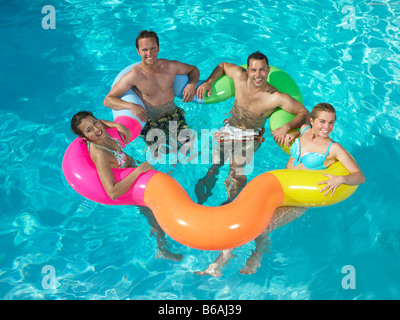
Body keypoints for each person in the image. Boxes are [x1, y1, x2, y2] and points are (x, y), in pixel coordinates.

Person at [195, 102, 365, 276]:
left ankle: (249, 257)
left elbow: (359, 176)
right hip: (278, 188)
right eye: (322, 121)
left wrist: (341, 178)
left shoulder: (333, 148)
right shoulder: (305, 130)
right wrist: (289, 133)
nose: (327, 127)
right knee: (244, 217)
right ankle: (225, 261)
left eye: (331, 122)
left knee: (261, 227)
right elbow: (298, 131)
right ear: (312, 121)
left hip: (298, 199)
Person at [195, 51, 309, 205]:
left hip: (251, 135)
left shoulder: (275, 97)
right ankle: (208, 182)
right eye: (254, 70)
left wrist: (286, 127)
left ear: (268, 70)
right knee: (216, 162)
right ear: (247, 70)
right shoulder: (239, 78)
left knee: (236, 167)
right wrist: (209, 82)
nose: (258, 75)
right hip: (231, 127)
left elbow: (304, 113)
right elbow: (222, 65)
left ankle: (230, 202)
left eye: (262, 69)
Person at [71, 111, 183, 261]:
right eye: (89, 130)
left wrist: (116, 124)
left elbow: (103, 122)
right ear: (84, 138)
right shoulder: (100, 155)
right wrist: (138, 171)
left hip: (131, 167)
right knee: (154, 214)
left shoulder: (102, 130)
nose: (97, 129)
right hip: (130, 185)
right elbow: (112, 192)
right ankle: (161, 248)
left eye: (95, 122)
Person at [103, 30, 200, 156]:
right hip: (151, 123)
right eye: (144, 50)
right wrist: (131, 106)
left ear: (158, 48)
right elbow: (108, 100)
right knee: (165, 159)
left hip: (173, 115)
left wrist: (192, 84)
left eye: (153, 48)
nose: (149, 54)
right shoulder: (134, 75)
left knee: (190, 150)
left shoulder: (170, 66)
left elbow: (193, 70)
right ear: (138, 51)